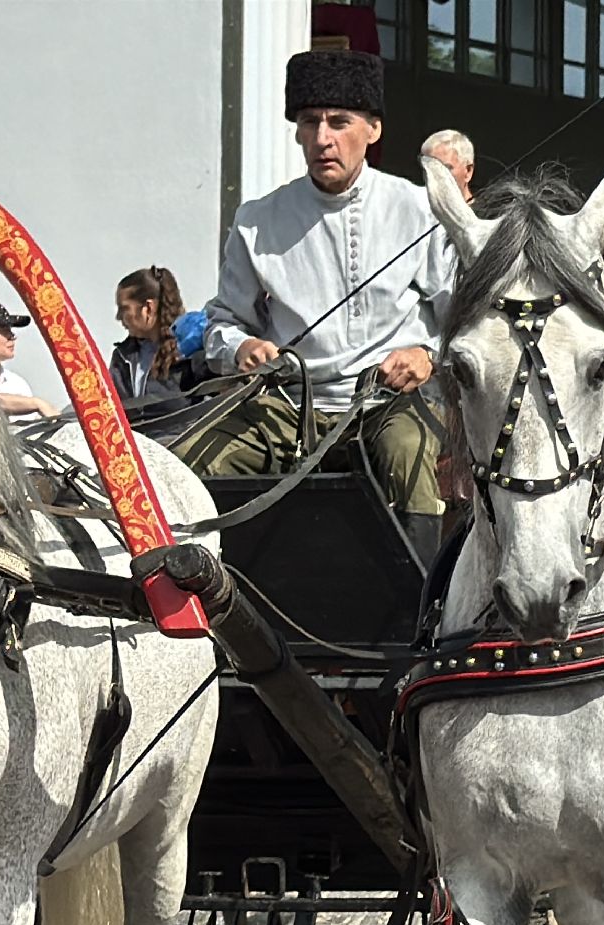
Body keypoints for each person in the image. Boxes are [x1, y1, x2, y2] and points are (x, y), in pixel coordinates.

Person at [173, 49, 455, 559]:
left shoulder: (420, 209)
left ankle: (422, 617)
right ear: (298, 132)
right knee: (191, 459)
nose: (324, 138)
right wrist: (240, 349)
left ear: (372, 129)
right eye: (310, 123)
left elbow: (461, 318)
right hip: (284, 405)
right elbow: (221, 324)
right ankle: (207, 612)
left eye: (339, 122)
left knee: (407, 455)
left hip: (384, 403)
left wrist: (427, 355)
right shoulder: (258, 219)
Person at [109, 266, 201, 402]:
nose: (118, 317)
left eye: (124, 308)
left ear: (148, 308)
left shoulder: (192, 350)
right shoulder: (122, 358)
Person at [420, 129, 476, 204]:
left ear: (468, 171)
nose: (436, 176)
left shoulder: (485, 214)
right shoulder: (418, 212)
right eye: (430, 170)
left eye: (446, 169)